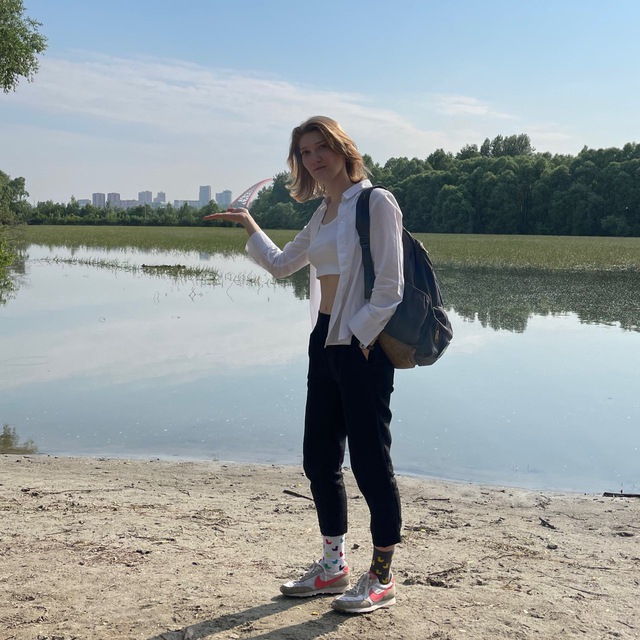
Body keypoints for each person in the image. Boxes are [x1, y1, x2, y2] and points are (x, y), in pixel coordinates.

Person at [203, 116, 404, 614]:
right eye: (305, 152)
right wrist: (248, 224)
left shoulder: (375, 202)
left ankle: (381, 577)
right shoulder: (323, 213)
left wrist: (362, 337)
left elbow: (391, 285)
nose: (314, 158)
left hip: (362, 345)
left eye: (321, 148)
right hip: (325, 340)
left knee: (370, 462)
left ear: (342, 149)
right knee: (319, 458)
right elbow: (281, 265)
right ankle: (333, 568)